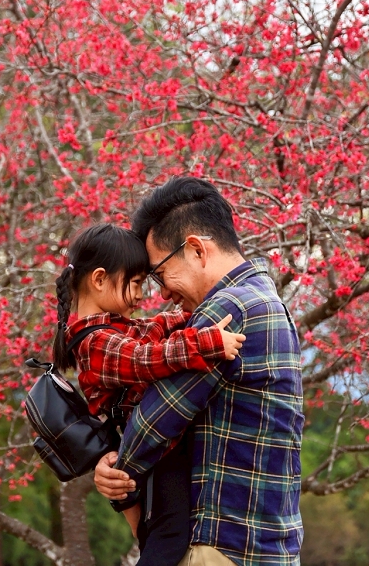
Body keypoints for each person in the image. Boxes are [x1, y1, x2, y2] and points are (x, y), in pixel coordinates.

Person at [93, 177, 305, 566]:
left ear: (195, 249)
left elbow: (155, 421)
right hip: (263, 545)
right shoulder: (265, 299)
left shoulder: (227, 310)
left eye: (159, 274)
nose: (163, 294)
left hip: (221, 546)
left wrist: (116, 474)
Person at [53, 223, 246, 565]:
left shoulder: (111, 327)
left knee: (167, 532)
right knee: (168, 536)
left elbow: (152, 328)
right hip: (151, 455)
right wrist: (206, 342)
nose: (142, 294)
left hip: (151, 451)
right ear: (99, 279)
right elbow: (145, 358)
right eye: (137, 282)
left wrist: (192, 317)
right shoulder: (94, 343)